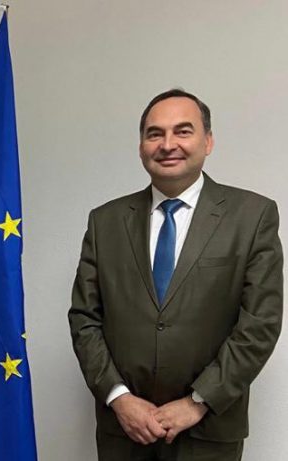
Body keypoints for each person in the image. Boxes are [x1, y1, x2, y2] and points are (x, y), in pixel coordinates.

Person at [69, 89, 283, 460]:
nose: (168, 145)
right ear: (141, 147)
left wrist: (198, 401)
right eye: (155, 134)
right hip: (125, 431)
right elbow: (84, 319)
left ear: (208, 141)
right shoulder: (105, 222)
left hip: (209, 432)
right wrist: (119, 399)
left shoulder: (252, 216)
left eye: (183, 131)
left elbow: (260, 324)